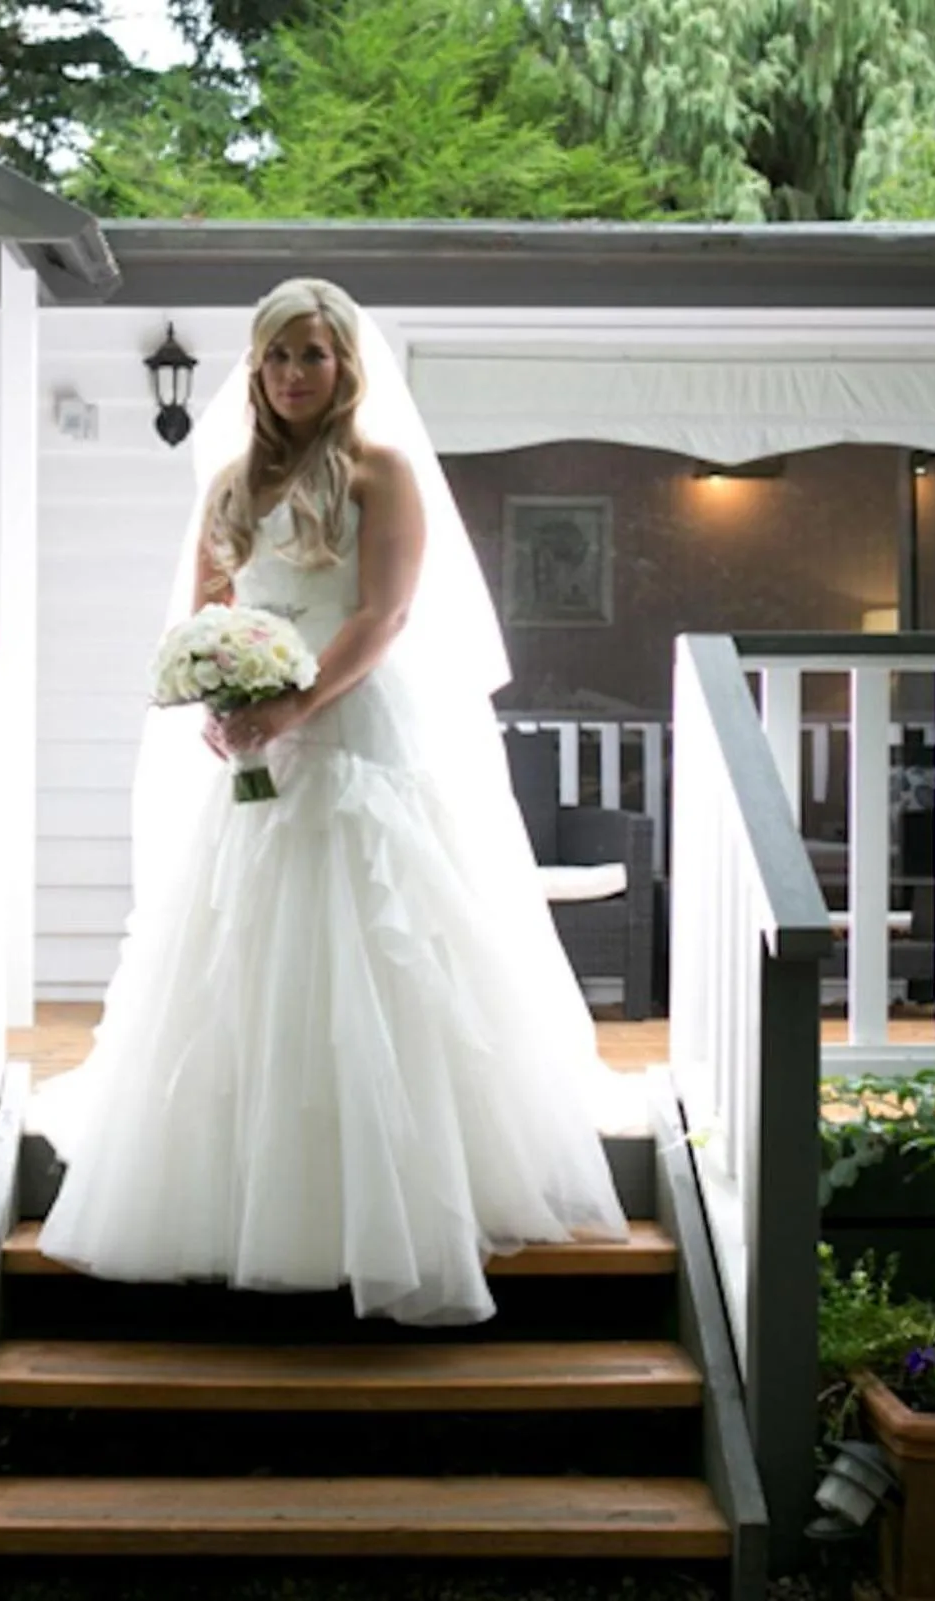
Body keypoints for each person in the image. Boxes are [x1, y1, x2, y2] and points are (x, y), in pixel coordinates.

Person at [35, 278, 627, 1327]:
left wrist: (298, 702)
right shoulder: (228, 484)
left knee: (375, 939)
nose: (294, 373)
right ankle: (250, 1188)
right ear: (255, 370)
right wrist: (223, 701)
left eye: (312, 354)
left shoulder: (378, 471)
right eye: (277, 356)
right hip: (257, 743)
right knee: (246, 945)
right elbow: (206, 613)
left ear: (344, 364)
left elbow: (386, 612)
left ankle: (395, 1202)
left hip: (355, 726)